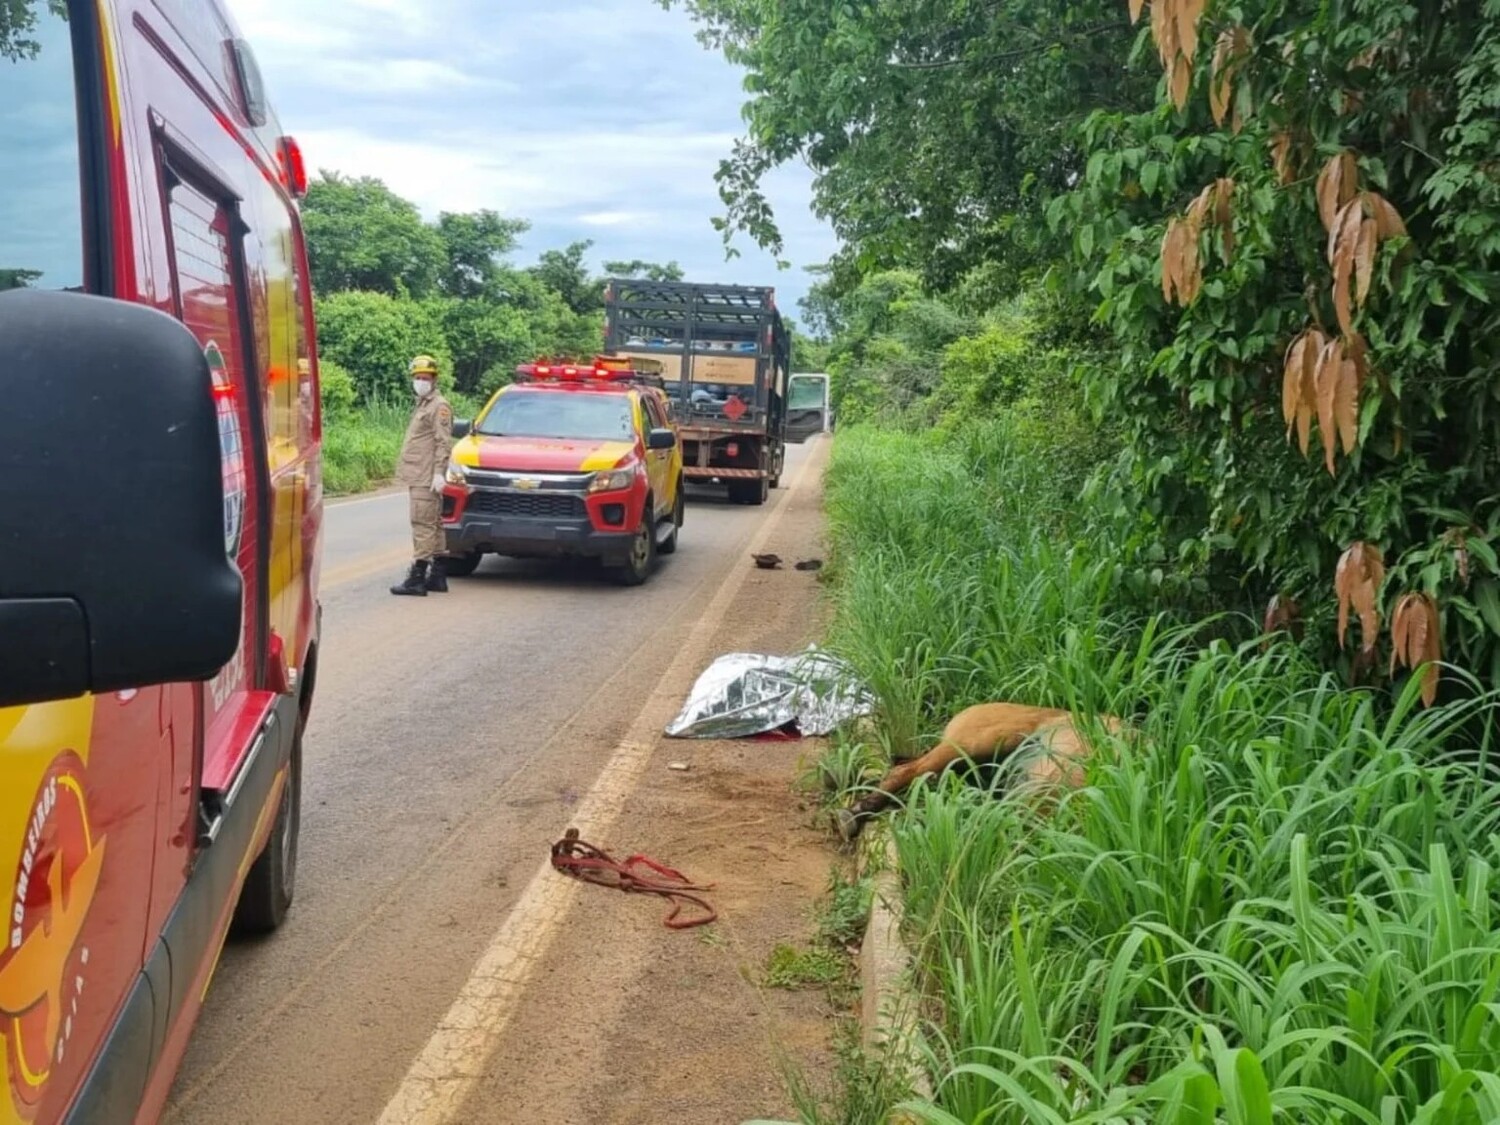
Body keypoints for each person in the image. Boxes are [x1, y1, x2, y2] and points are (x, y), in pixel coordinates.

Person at [390, 355, 455, 597]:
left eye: (425, 378)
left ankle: (417, 577)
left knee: (422, 524)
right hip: (420, 473)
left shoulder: (439, 406)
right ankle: (438, 576)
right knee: (434, 524)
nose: (420, 381)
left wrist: (438, 473)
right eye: (417, 377)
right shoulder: (423, 404)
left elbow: (442, 442)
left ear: (434, 379)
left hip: (426, 475)